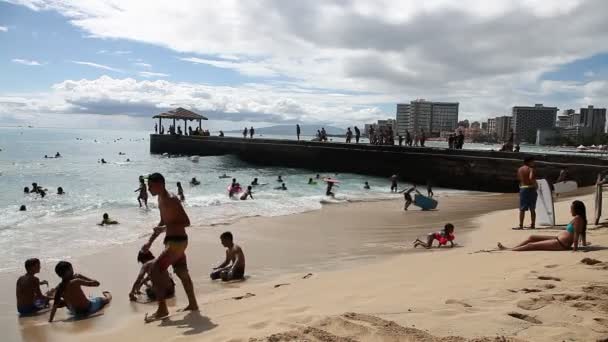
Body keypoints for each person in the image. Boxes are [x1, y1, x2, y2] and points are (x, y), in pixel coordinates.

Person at [141, 173, 198, 322]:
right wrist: (150, 242)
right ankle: (193, 304)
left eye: (150, 185)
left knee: (154, 269)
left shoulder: (172, 199)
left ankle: (162, 309)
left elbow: (186, 222)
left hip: (177, 241)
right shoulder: (160, 199)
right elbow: (162, 222)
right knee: (181, 272)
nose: (148, 188)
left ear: (160, 184)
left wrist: (165, 228)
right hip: (173, 241)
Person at [498, 200, 587, 251]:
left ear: (577, 210)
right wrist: (584, 243)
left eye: (571, 209)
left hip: (561, 244)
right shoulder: (579, 218)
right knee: (532, 237)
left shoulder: (578, 219)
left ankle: (509, 250)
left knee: (531, 245)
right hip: (557, 239)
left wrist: (575, 249)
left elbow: (576, 234)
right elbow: (582, 232)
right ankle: (512, 248)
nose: (570, 211)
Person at [516, 157, 537, 230]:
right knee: (532, 208)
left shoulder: (520, 169)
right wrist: (535, 184)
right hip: (531, 188)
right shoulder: (531, 169)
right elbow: (531, 178)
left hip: (523, 188)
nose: (534, 163)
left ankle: (521, 225)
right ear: (528, 162)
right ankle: (533, 225)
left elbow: (519, 178)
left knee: (522, 208)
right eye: (532, 162)